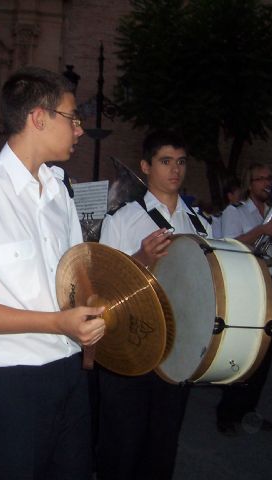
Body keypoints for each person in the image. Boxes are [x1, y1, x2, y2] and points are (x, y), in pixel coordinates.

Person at [0, 66, 105, 480]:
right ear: (38, 118)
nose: (80, 129)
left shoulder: (59, 191)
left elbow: (71, 277)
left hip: (67, 374)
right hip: (7, 385)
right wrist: (55, 323)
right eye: (72, 117)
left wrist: (89, 329)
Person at [97, 130, 211, 480]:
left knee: (163, 444)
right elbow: (103, 290)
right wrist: (141, 258)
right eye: (165, 161)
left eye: (180, 162)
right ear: (146, 166)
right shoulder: (121, 219)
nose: (174, 170)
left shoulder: (201, 223)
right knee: (122, 444)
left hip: (177, 349)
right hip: (130, 346)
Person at [216, 162, 272, 435]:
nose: (267, 183)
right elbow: (228, 244)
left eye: (270, 178)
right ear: (250, 184)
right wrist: (261, 231)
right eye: (261, 179)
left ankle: (249, 409)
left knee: (266, 354)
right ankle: (227, 411)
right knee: (244, 351)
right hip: (251, 286)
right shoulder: (234, 211)